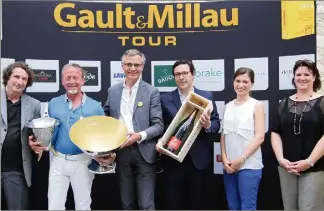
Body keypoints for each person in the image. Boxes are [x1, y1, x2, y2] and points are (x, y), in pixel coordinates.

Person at [29, 63, 115, 210]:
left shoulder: (95, 106)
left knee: (83, 205)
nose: (71, 81)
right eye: (67, 78)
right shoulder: (53, 104)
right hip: (58, 160)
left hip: (83, 161)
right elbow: (47, 132)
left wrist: (108, 154)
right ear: (62, 81)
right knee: (54, 205)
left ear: (83, 80)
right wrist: (38, 142)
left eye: (75, 77)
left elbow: (103, 135)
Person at [103, 49, 164, 210]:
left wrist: (139, 136)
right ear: (122, 66)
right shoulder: (113, 91)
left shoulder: (152, 91)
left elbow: (158, 125)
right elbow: (105, 116)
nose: (132, 68)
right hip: (121, 151)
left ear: (142, 66)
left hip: (144, 152)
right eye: (129, 64)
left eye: (136, 65)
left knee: (146, 204)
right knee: (126, 203)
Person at [156, 59, 220, 210]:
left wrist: (208, 125)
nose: (181, 77)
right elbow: (160, 126)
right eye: (177, 74)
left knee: (196, 204)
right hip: (173, 159)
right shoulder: (164, 99)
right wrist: (160, 141)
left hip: (198, 160)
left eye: (185, 73)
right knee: (173, 203)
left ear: (193, 75)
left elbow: (216, 124)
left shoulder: (206, 96)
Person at [271, 60, 324, 210]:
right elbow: (275, 132)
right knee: (290, 208)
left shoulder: (322, 102)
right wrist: (281, 159)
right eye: (298, 74)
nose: (302, 78)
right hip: (287, 168)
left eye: (307, 74)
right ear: (294, 78)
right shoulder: (283, 103)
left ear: (314, 77)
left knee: (309, 207)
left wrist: (309, 162)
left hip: (314, 167)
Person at [220, 67, 265, 210]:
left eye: (245, 81)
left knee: (248, 207)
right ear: (233, 82)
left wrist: (241, 159)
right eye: (238, 81)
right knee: (233, 206)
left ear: (252, 83)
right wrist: (225, 159)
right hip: (229, 167)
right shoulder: (227, 106)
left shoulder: (257, 105)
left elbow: (259, 137)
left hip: (249, 166)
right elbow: (223, 135)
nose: (241, 85)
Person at [0, 62, 41, 210]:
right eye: (16, 76)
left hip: (16, 171)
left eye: (24, 79)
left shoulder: (35, 105)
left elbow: (36, 137)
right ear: (7, 77)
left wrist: (36, 144)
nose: (20, 82)